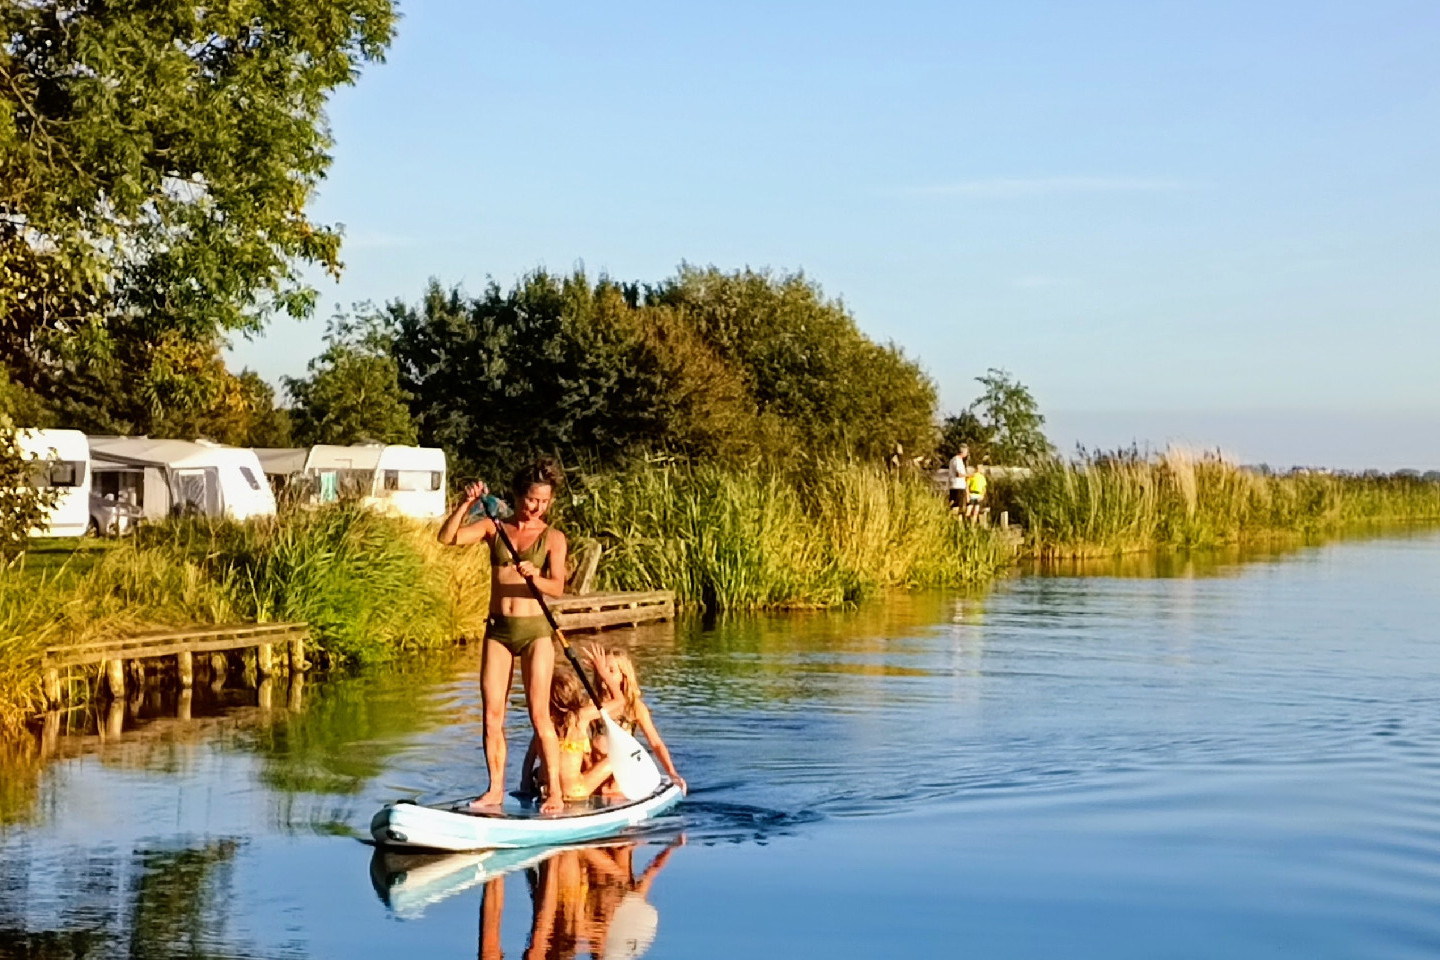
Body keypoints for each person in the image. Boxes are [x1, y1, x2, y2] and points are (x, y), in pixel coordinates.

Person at [437, 457, 570, 813]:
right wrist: (466, 503)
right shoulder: (493, 528)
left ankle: (554, 792)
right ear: (518, 495)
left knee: (539, 715)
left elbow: (557, 587)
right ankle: (494, 789)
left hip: (535, 633)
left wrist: (534, 576)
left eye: (544, 501)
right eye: (531, 500)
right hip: (498, 631)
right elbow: (446, 537)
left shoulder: (553, 538)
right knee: (492, 715)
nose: (537, 507)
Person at [584, 646, 686, 795]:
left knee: (608, 790)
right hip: (597, 767)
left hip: (622, 769)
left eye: (610, 671)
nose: (603, 675)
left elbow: (656, 743)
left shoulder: (634, 707)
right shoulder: (591, 704)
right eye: (602, 670)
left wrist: (672, 773)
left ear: (623, 676)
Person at [947, 444, 969, 512]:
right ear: (963, 452)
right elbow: (959, 474)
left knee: (955, 505)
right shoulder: (958, 460)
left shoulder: (953, 460)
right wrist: (969, 475)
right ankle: (955, 520)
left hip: (953, 485)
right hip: (958, 486)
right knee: (958, 506)